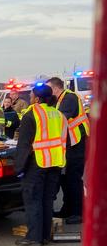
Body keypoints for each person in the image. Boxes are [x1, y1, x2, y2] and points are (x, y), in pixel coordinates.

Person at [14, 83, 67, 246]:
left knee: (33, 200)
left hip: (37, 163)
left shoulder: (32, 114)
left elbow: (23, 144)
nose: (29, 98)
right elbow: (65, 139)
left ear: (36, 99)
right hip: (55, 163)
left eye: (31, 96)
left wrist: (19, 168)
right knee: (47, 200)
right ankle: (44, 235)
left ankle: (33, 238)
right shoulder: (59, 115)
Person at [48, 76, 90, 224]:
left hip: (76, 144)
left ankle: (79, 212)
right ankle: (68, 209)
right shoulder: (60, 100)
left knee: (73, 178)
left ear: (55, 88)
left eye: (48, 89)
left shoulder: (69, 98)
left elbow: (61, 118)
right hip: (68, 145)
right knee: (66, 179)